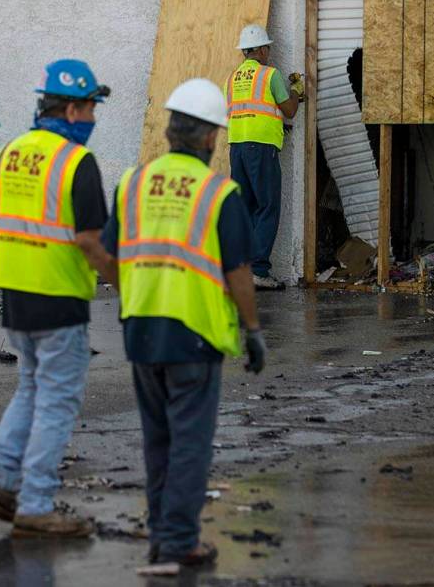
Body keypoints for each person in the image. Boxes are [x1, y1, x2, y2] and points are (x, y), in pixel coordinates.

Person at [102, 78, 267, 567]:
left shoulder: (132, 183)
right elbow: (238, 271)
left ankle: (161, 535)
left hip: (141, 332)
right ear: (213, 138)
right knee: (190, 443)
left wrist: (135, 288)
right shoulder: (219, 192)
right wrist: (252, 330)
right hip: (193, 336)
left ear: (171, 130)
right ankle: (178, 543)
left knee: (158, 441)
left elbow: (105, 256)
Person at [0, 59, 116, 538]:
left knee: (31, 388)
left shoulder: (14, 151)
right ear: (73, 109)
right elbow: (90, 242)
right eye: (92, 107)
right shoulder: (77, 162)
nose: (95, 117)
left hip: (16, 297)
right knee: (56, 402)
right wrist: (130, 282)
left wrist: (26, 243)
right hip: (58, 299)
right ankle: (34, 504)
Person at [226, 24, 304, 289]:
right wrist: (297, 91)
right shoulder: (269, 75)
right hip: (261, 148)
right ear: (259, 49)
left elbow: (249, 111)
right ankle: (258, 270)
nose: (268, 51)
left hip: (237, 147)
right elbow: (290, 110)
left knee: (245, 208)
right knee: (267, 206)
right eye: (267, 47)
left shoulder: (233, 78)